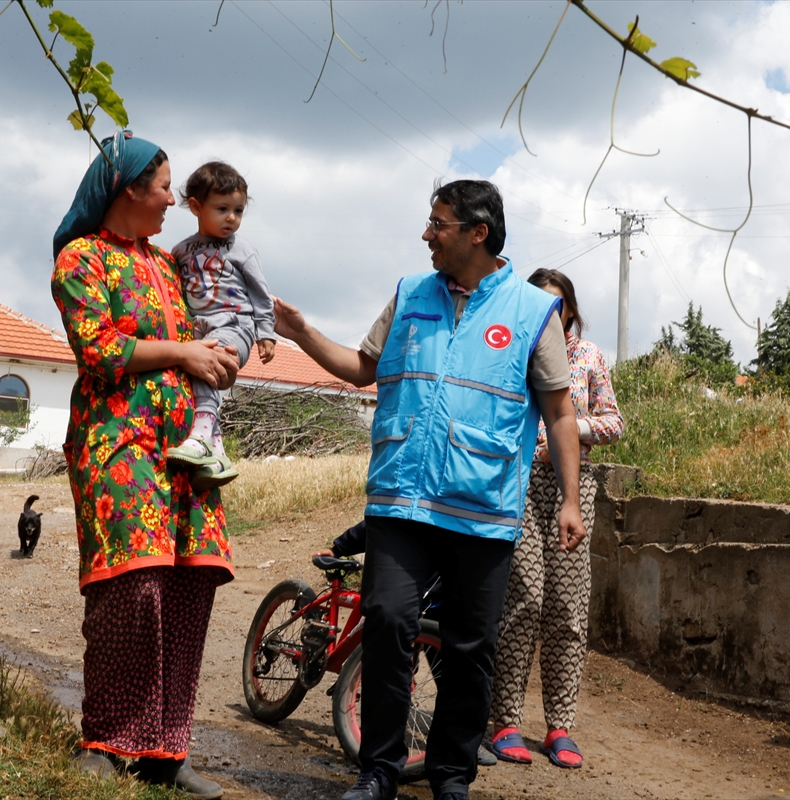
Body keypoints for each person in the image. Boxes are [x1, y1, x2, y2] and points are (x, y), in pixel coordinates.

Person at [274, 179, 585, 800]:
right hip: (402, 498)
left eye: (437, 223)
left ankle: (450, 776)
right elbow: (365, 367)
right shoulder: (410, 293)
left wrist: (571, 500)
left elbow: (559, 412)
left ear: (478, 233)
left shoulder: (532, 312)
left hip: (484, 510)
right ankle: (379, 771)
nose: (425, 234)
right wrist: (303, 333)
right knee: (387, 618)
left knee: (471, 648)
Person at [51, 131, 240, 799]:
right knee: (131, 579)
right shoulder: (81, 260)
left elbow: (206, 329)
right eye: (163, 187)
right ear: (128, 188)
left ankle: (165, 748)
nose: (172, 199)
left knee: (190, 584)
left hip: (185, 445)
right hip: (116, 439)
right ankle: (106, 738)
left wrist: (216, 354)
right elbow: (100, 350)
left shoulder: (166, 265)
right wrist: (183, 354)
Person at [486, 269, 624, 769]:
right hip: (517, 486)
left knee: (567, 607)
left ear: (570, 309)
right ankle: (503, 721)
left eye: (558, 303)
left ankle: (559, 726)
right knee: (523, 598)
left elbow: (614, 420)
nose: (550, 311)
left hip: (574, 489)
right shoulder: (512, 355)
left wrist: (569, 435)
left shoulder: (588, 358)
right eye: (539, 303)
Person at [168, 162, 276, 488]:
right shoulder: (181, 251)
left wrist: (266, 333)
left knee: (210, 358)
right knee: (196, 366)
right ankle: (216, 453)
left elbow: (261, 293)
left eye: (238, 210)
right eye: (222, 208)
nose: (232, 217)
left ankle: (201, 433)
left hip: (236, 326)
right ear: (197, 207)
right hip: (199, 329)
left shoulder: (241, 249)